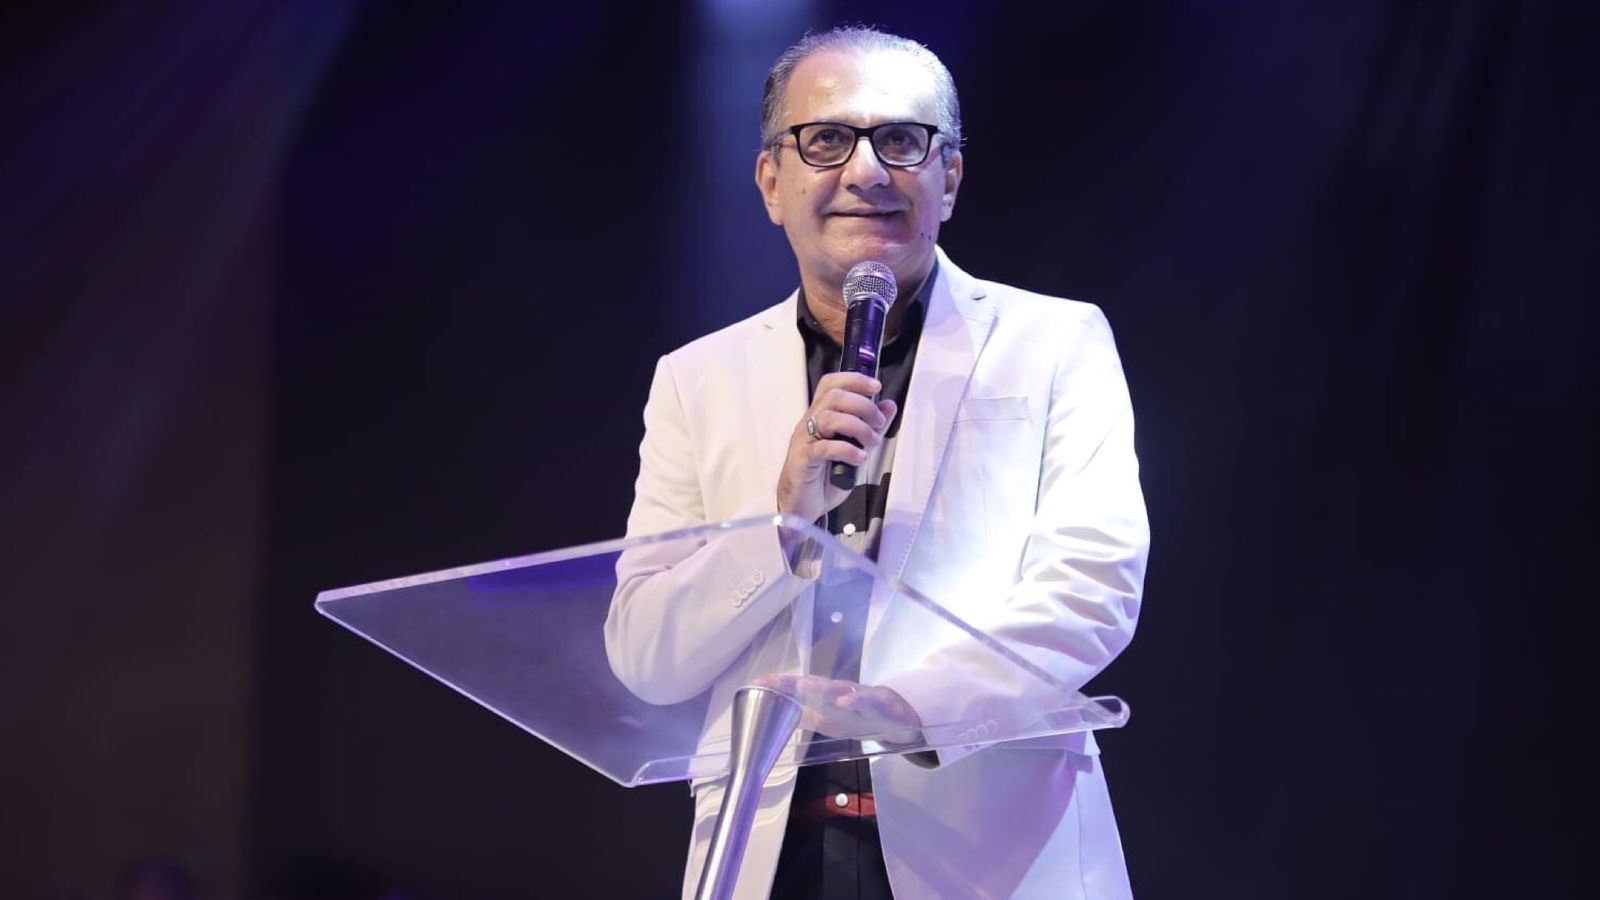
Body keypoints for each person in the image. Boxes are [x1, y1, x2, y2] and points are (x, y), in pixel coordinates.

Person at [605, 26, 1148, 900]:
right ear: (771, 182)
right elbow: (645, 654)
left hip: (988, 846)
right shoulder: (697, 379)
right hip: (768, 849)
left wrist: (914, 707)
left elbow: (1091, 587)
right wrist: (783, 528)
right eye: (826, 139)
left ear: (950, 177)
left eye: (901, 140)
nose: (866, 172)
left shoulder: (1053, 342)